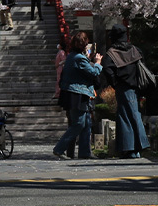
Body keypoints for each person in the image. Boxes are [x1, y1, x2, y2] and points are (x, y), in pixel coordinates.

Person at [101, 24, 150, 158]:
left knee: (125, 116)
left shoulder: (111, 54)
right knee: (134, 114)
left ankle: (131, 148)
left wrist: (115, 83)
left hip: (122, 87)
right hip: (136, 87)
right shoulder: (135, 50)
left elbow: (107, 69)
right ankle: (136, 147)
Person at [53, 31, 101, 160]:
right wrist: (97, 62)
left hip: (79, 93)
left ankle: (85, 152)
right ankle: (59, 148)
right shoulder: (79, 58)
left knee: (86, 123)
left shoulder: (73, 56)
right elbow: (93, 72)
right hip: (77, 94)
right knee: (79, 123)